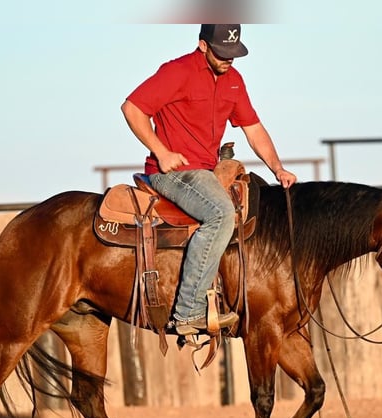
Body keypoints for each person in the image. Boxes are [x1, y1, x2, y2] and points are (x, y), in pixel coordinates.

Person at [121, 24, 297, 336]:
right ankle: (188, 311)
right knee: (220, 214)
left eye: (234, 53)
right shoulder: (177, 72)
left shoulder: (234, 81)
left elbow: (253, 128)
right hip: (173, 174)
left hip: (208, 172)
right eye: (222, 52)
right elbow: (132, 108)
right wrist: (161, 152)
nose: (229, 59)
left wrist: (277, 168)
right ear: (203, 45)